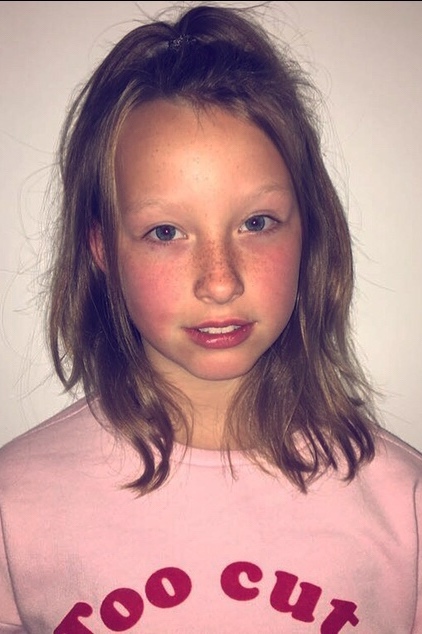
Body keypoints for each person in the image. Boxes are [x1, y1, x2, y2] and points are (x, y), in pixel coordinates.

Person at [0, 2, 421, 632]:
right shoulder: (15, 507)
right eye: (166, 232)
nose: (220, 281)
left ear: (308, 231)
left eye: (257, 222)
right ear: (102, 250)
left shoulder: (403, 505)